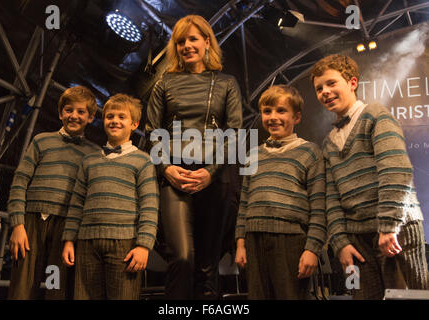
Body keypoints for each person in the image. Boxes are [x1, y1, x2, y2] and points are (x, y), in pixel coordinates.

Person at [311, 54, 428, 299]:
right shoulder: (329, 143)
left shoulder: (376, 115)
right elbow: (331, 198)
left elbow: (395, 170)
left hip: (397, 230)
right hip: (358, 239)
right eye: (319, 88)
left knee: (408, 296)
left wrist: (388, 226)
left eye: (331, 83)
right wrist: (340, 242)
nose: (325, 92)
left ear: (352, 83)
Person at [145, 15, 243, 299]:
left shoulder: (227, 83)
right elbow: (152, 132)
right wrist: (166, 169)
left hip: (215, 176)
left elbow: (235, 132)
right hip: (174, 174)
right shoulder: (164, 83)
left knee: (207, 266)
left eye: (193, 39)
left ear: (207, 41)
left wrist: (210, 172)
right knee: (183, 257)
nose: (187, 45)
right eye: (181, 41)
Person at [61, 94, 159, 300]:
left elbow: (149, 205)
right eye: (109, 116)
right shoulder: (89, 161)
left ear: (134, 124)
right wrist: (69, 240)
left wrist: (143, 245)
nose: (114, 120)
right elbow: (77, 203)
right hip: (86, 242)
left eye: (121, 117)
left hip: (124, 243)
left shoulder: (142, 160)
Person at [7, 86, 100, 299]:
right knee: (22, 286)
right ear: (60, 113)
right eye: (69, 110)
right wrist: (17, 225)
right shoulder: (42, 141)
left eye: (81, 112)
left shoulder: (94, 153)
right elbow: (20, 181)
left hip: (65, 229)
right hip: (30, 226)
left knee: (55, 286)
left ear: (91, 117)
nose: (74, 116)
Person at [234, 85, 326, 299]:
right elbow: (244, 203)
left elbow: (320, 207)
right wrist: (241, 243)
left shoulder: (310, 153)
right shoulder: (252, 155)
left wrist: (312, 249)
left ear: (297, 117)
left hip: (291, 240)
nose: (273, 117)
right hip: (254, 240)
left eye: (281, 111)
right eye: (267, 111)